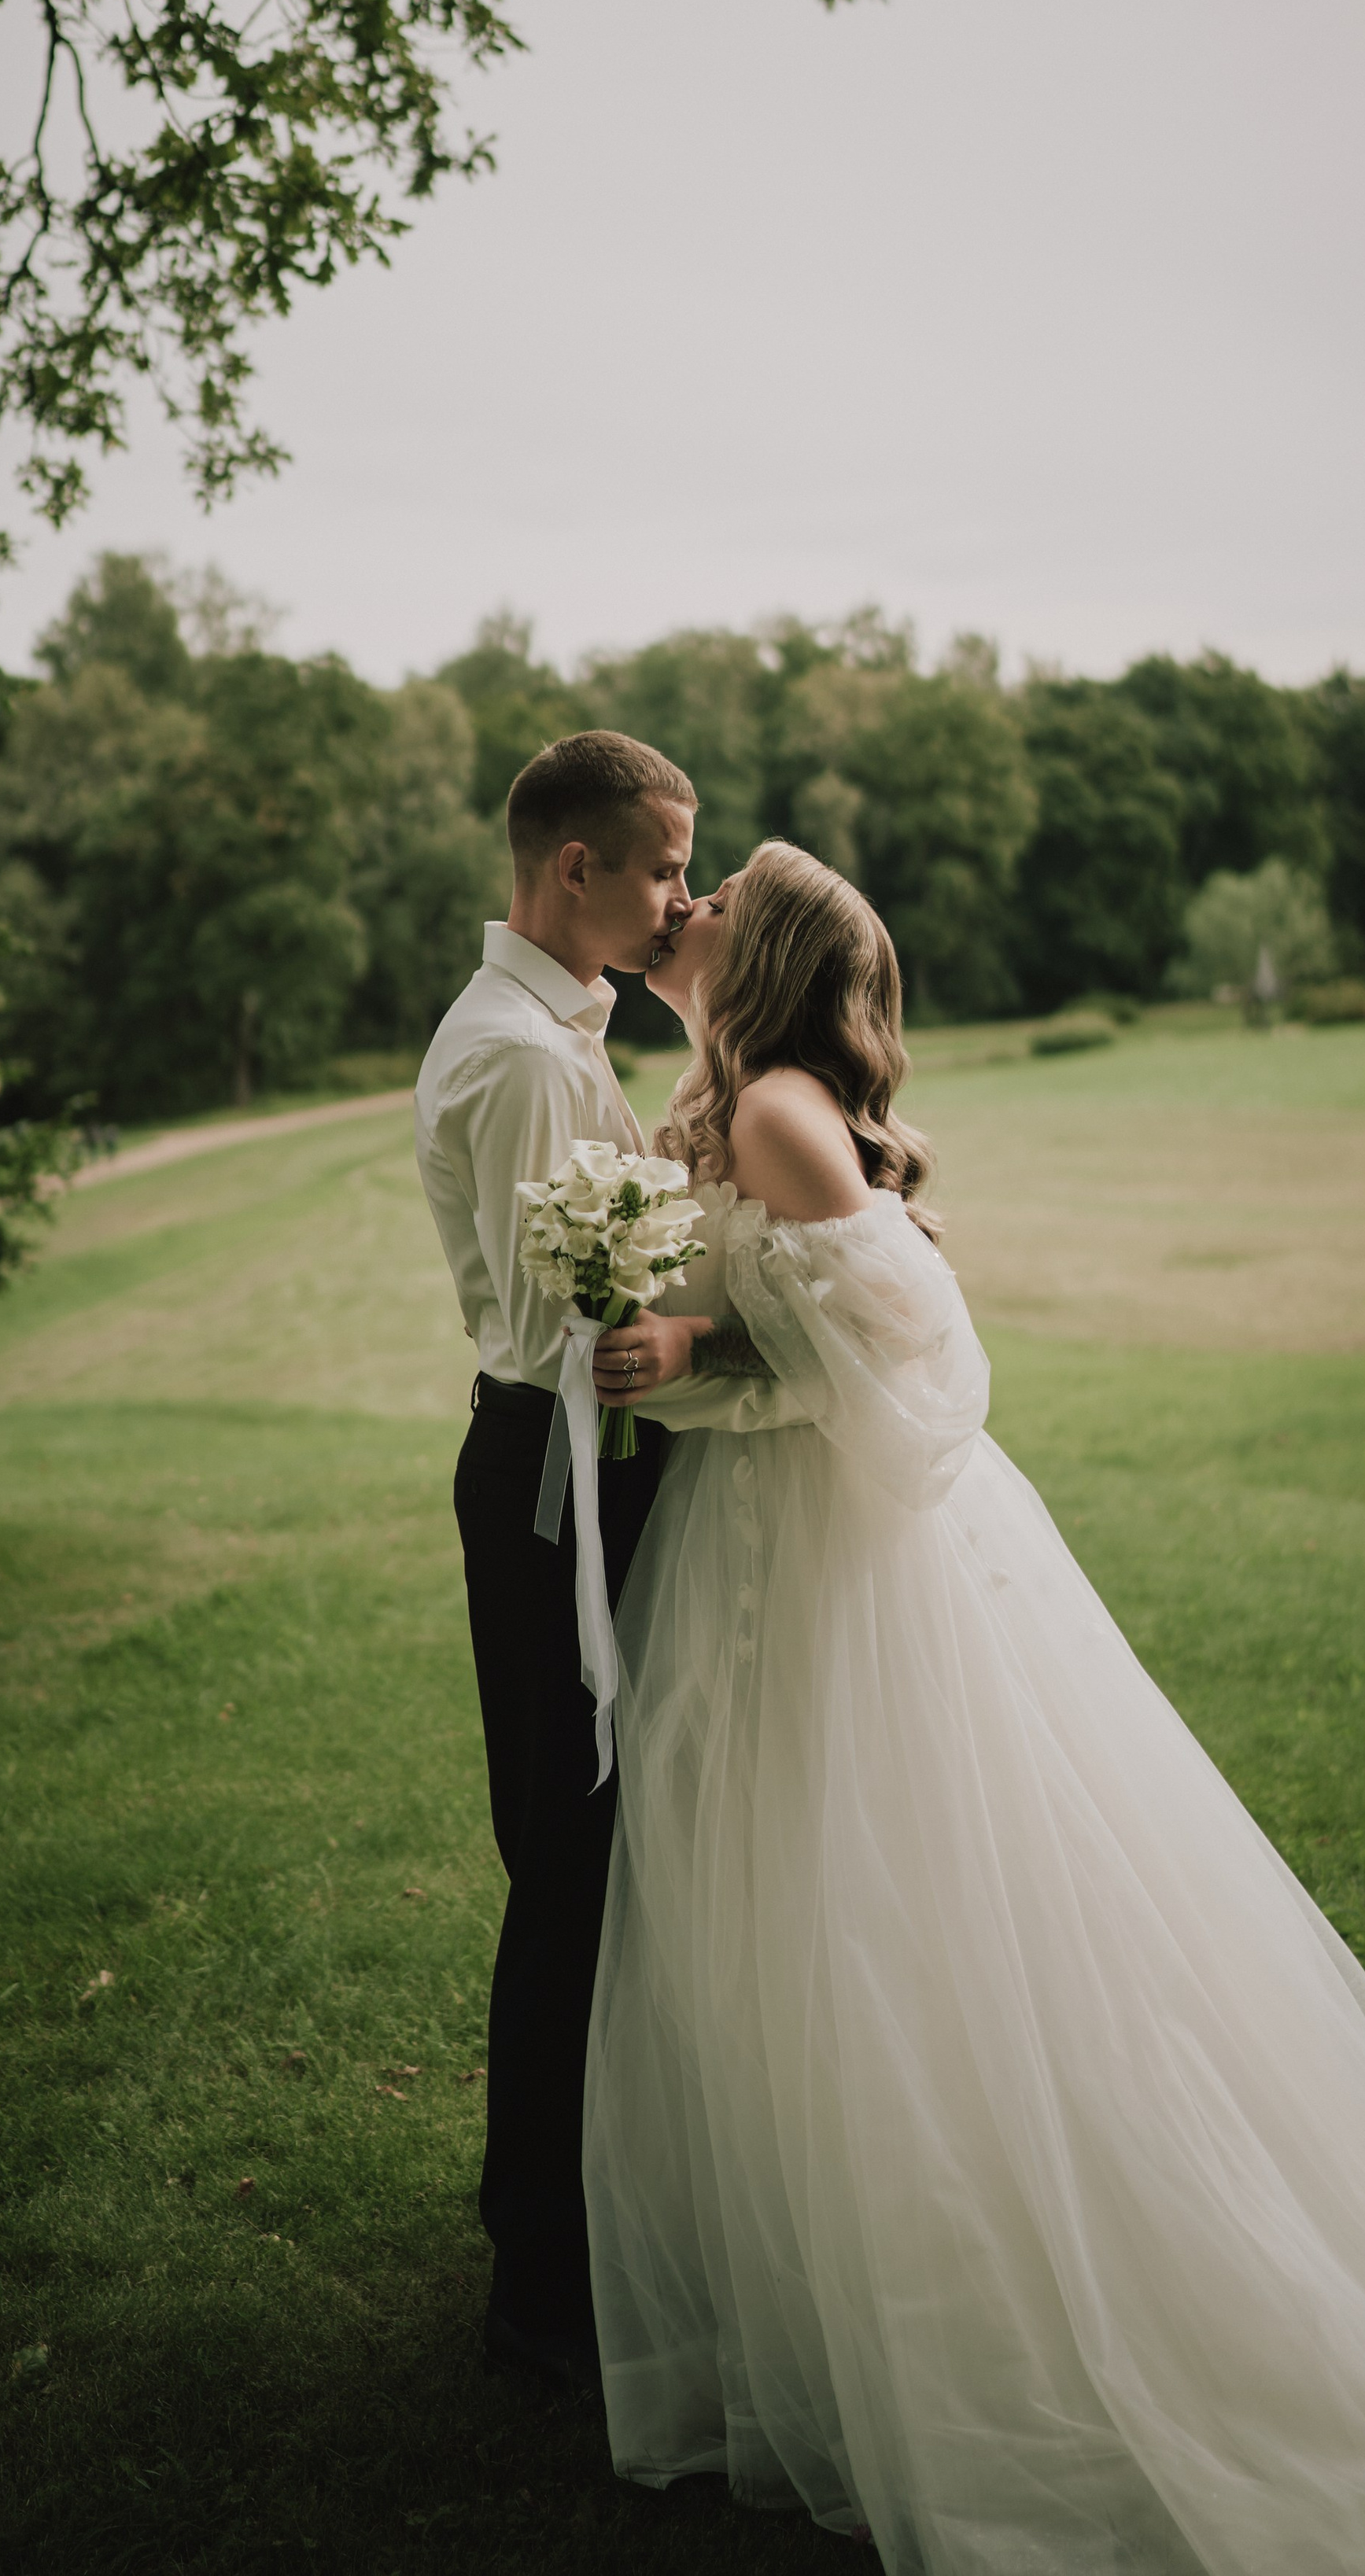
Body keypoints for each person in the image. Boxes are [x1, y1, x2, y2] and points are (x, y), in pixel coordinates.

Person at [582, 839, 1365, 2573]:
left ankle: (1045, 2300)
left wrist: (702, 1359)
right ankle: (831, 2284)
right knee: (802, 1920)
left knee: (893, 1917)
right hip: (761, 1550)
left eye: (720, 884)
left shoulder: (784, 1114)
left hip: (848, 1568)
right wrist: (681, 1342)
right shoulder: (716, 1097)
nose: (692, 899)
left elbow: (921, 1360)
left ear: (768, 947)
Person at [414, 733, 806, 2395]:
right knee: (566, 1873)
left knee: (602, 1864)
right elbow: (586, 1339)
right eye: (659, 869)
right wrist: (761, 1344)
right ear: (571, 867)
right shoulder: (519, 1058)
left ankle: (585, 2215)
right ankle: (541, 2287)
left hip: (595, 1464)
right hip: (557, 1479)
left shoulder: (556, 1035)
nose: (673, 899)